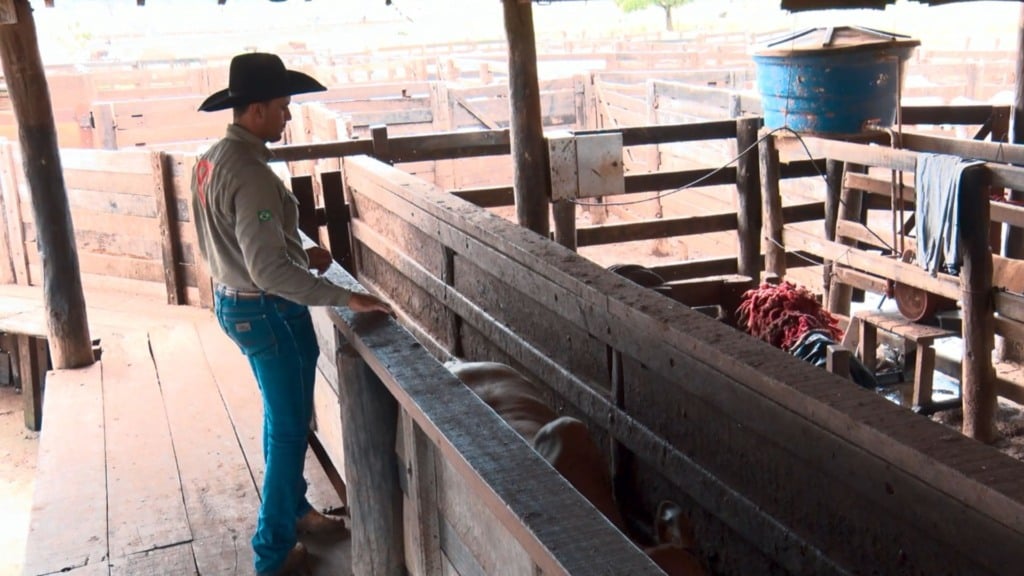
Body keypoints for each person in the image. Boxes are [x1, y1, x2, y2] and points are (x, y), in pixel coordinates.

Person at [192, 52, 394, 576]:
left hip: (234, 303)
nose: (287, 116)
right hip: (268, 313)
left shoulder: (212, 158)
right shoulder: (253, 174)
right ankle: (272, 550)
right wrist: (345, 297)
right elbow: (267, 272)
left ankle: (295, 508)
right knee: (288, 427)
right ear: (255, 110)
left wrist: (301, 255)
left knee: (281, 418)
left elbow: (238, 245)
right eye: (282, 107)